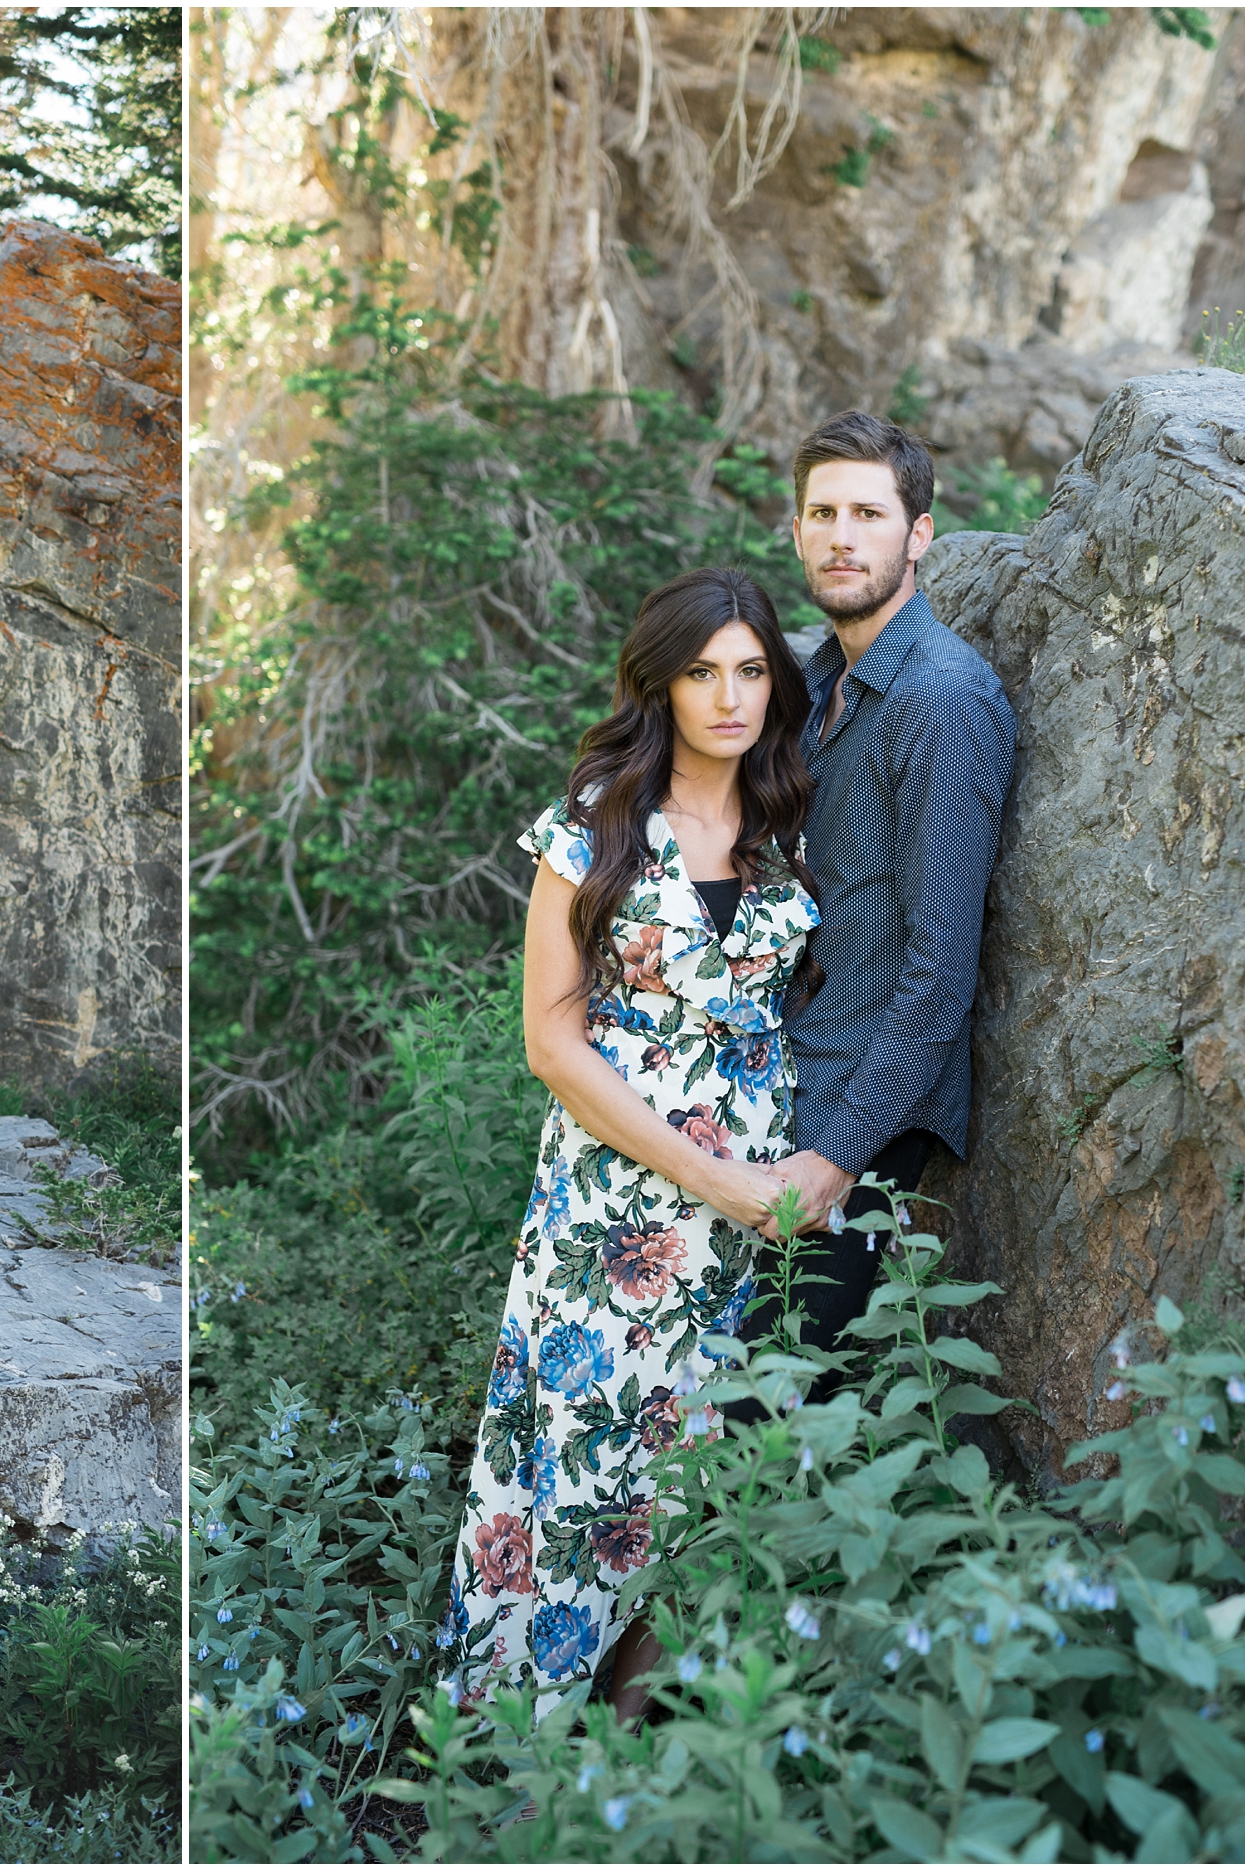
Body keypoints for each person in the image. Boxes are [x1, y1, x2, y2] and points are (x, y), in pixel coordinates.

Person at [439, 567, 821, 1727]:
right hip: (616, 1214)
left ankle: (638, 1758)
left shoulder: (792, 813)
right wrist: (718, 1177)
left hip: (768, 1212)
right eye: (702, 671)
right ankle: (518, 1761)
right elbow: (551, 1042)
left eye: (751, 669)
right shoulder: (595, 818)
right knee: (587, 1471)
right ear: (658, 682)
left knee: (708, 1480)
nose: (729, 696)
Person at [760, 410, 1018, 1355]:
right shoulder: (808, 679)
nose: (840, 536)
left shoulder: (942, 701)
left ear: (918, 536)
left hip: (859, 1114)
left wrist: (837, 1157)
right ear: (795, 531)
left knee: (763, 1406)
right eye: (821, 513)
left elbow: (940, 972)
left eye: (868, 513)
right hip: (777, 1081)